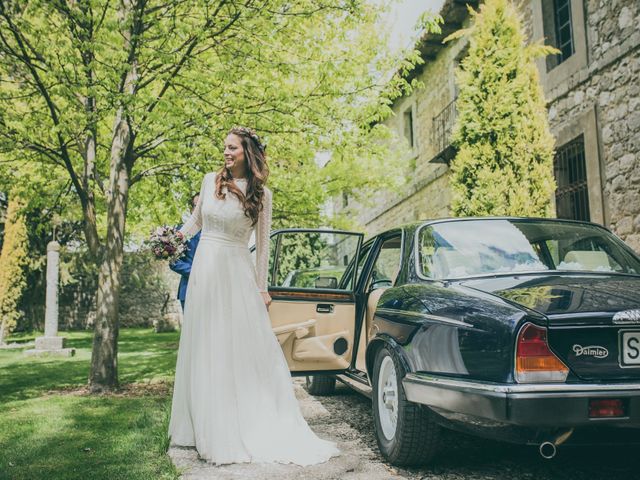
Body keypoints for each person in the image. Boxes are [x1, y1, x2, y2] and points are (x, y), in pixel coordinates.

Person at [168, 126, 340, 466]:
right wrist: (169, 240)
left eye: (232, 148)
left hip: (235, 271)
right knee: (205, 344)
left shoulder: (262, 194)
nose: (226, 153)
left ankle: (236, 426)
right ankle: (200, 426)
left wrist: (262, 287)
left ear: (247, 152)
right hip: (205, 271)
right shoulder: (209, 181)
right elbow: (194, 223)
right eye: (224, 148)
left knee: (237, 347)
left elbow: (262, 247)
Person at [169, 193, 201, 311]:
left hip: (213, 291)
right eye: (196, 205)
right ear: (191, 209)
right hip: (188, 289)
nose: (199, 209)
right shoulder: (181, 231)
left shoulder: (218, 232)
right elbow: (174, 262)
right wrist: (196, 272)